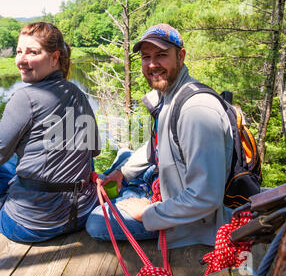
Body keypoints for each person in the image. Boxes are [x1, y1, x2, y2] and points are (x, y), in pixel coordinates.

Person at [86, 23, 233, 249]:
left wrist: (148, 213)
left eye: (161, 55)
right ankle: (130, 191)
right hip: (166, 187)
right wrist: (122, 173)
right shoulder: (170, 95)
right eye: (146, 57)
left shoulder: (196, 111)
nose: (152, 64)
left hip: (190, 221)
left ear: (180, 56)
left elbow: (206, 197)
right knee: (123, 158)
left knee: (96, 222)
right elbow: (157, 145)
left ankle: (132, 197)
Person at [0, 22, 100, 243]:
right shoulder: (78, 93)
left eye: (32, 52)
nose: (21, 60)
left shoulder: (24, 98)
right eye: (19, 51)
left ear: (55, 57)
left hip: (32, 225)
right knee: (11, 164)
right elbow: (93, 150)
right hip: (82, 213)